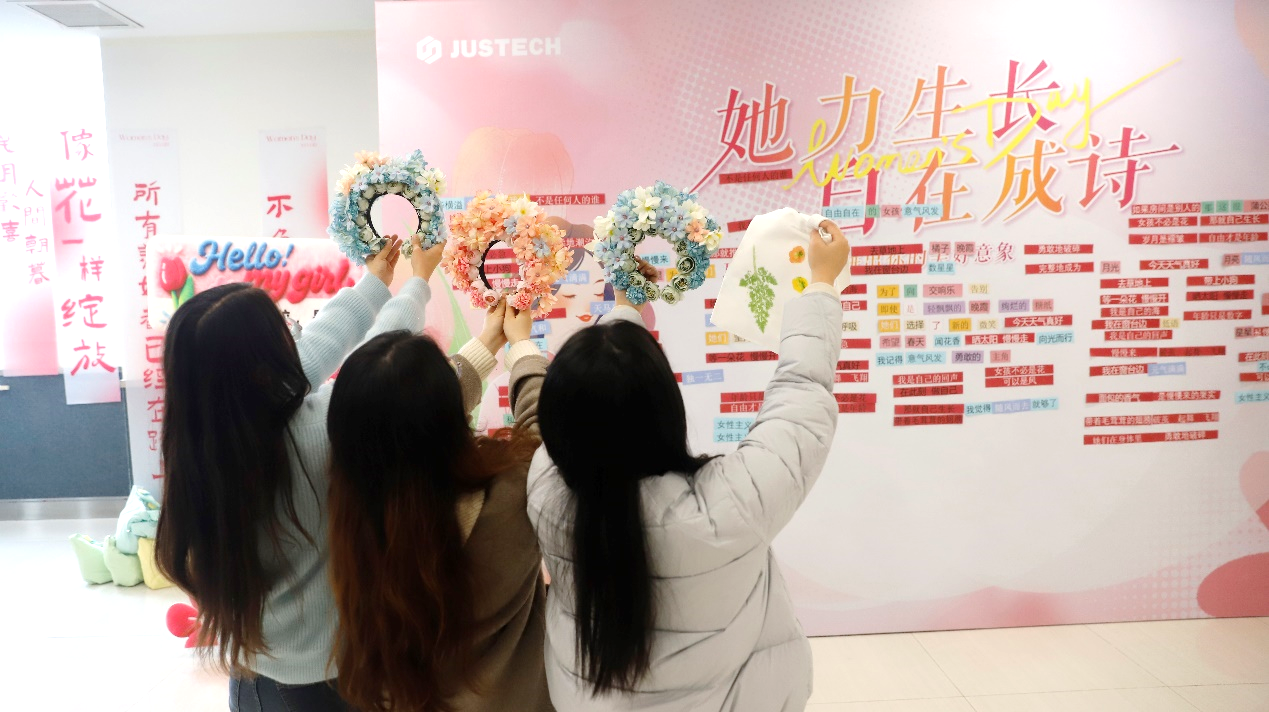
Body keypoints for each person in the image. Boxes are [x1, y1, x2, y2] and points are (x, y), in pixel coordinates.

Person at [528, 220, 853, 711]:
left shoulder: (546, 494)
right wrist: (823, 284)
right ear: (665, 408)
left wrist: (626, 308)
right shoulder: (732, 504)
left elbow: (593, 409)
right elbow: (801, 392)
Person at [155, 235, 443, 712]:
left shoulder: (200, 449)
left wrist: (375, 281)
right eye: (285, 327)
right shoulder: (320, 432)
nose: (296, 333)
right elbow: (381, 362)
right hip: (329, 684)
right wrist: (418, 281)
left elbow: (315, 348)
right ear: (267, 363)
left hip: (254, 680)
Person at [325, 298, 553, 712]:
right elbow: (544, 433)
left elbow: (398, 422)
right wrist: (522, 348)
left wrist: (487, 342)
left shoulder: (352, 514)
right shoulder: (510, 494)